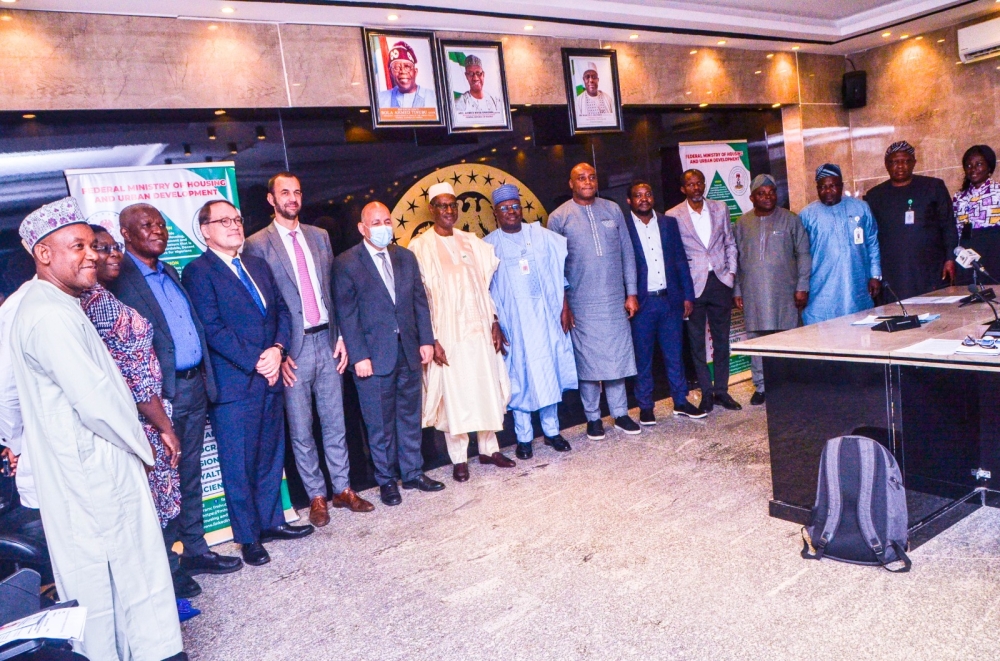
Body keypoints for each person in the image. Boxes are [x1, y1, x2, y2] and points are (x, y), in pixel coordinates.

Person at [10, 197, 184, 660]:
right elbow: (98, 403)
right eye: (78, 246)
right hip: (96, 467)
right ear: (43, 254)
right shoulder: (48, 313)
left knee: (116, 574)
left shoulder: (48, 302)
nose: (92, 254)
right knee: (121, 574)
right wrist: (145, 450)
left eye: (93, 244)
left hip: (88, 464)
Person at [111, 203, 241, 599]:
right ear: (126, 234)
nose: (157, 231)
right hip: (158, 396)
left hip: (194, 387)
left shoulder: (169, 272)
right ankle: (169, 565)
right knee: (162, 481)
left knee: (190, 473)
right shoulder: (120, 280)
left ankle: (196, 550)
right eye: (146, 225)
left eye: (161, 224)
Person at [183, 199, 313, 568]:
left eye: (237, 219)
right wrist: (258, 360)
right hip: (235, 385)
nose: (234, 225)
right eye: (223, 221)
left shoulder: (256, 265)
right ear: (205, 230)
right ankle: (248, 537)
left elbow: (283, 313)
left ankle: (272, 522)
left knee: (271, 457)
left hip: (270, 377)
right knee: (238, 465)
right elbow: (212, 328)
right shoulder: (198, 271)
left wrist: (277, 349)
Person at [244, 173, 373, 525]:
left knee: (335, 422)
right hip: (293, 351)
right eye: (285, 192)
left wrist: (342, 336)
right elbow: (263, 304)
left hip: (327, 341)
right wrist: (278, 349)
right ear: (272, 200)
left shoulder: (320, 237)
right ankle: (317, 495)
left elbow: (333, 292)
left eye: (297, 192)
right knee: (301, 429)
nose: (292, 198)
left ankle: (343, 489)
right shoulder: (257, 244)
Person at [334, 201, 443, 506]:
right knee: (379, 424)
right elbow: (347, 315)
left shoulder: (406, 257)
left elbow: (419, 301)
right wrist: (359, 357)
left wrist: (427, 340)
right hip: (372, 357)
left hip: (408, 351)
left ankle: (412, 472)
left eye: (387, 221)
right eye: (376, 222)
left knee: (410, 417)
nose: (383, 228)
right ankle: (386, 480)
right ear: (362, 228)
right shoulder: (347, 263)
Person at [81, 225, 183, 539]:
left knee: (156, 499)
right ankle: (167, 578)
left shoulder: (103, 295)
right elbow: (134, 378)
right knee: (152, 502)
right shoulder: (97, 304)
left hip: (146, 414)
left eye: (116, 247)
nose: (113, 255)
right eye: (101, 248)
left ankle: (170, 573)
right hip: (143, 420)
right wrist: (165, 427)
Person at [409, 182, 515, 482]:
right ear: (432, 209)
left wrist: (494, 320)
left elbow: (484, 286)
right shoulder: (420, 247)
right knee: (456, 396)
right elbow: (419, 299)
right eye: (442, 206)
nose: (449, 211)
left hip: (479, 329)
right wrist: (431, 338)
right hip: (447, 334)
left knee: (485, 387)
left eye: (453, 205)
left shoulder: (471, 241)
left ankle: (489, 449)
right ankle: (459, 458)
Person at [484, 184, 577, 460]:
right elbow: (483, 291)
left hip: (544, 317)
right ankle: (523, 439)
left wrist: (565, 307)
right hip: (513, 324)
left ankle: (552, 432)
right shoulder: (488, 246)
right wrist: (494, 323)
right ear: (495, 212)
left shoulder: (540, 235)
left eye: (515, 206)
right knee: (519, 378)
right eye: (504, 208)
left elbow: (557, 272)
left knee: (548, 374)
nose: (511, 212)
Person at [548, 163, 641, 439]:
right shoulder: (559, 217)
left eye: (591, 177)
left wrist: (632, 292)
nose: (587, 182)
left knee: (616, 358)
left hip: (614, 299)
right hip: (581, 303)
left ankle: (621, 413)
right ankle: (592, 418)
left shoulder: (612, 210)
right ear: (571, 183)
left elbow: (627, 252)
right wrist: (564, 305)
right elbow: (555, 268)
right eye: (581, 178)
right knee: (587, 364)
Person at [623, 181, 704, 423]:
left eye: (648, 194)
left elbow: (680, 260)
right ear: (629, 201)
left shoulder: (668, 223)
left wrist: (687, 295)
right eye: (638, 196)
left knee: (674, 354)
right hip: (642, 304)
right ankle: (646, 407)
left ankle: (681, 401)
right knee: (643, 357)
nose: (644, 199)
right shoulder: (623, 227)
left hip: (670, 300)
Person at [733, 175, 811, 405]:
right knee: (757, 339)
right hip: (752, 292)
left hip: (785, 292)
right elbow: (735, 258)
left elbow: (804, 255)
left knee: (788, 338)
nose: (767, 197)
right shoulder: (742, 223)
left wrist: (802, 286)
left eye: (771, 192)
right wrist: (737, 290)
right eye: (761, 193)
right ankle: (761, 386)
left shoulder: (790, 220)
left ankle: (790, 383)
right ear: (752, 197)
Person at [668, 169, 741, 413]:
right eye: (690, 184)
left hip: (719, 281)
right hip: (693, 286)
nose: (696, 188)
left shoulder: (720, 208)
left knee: (722, 340)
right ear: (682, 189)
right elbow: (675, 255)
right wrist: (681, 289)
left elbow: (730, 242)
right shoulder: (673, 215)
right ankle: (707, 394)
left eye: (699, 183)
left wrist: (730, 274)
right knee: (697, 343)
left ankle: (722, 391)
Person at [864, 141, 956, 300]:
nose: (900, 166)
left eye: (906, 161)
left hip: (929, 268)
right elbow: (871, 238)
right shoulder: (874, 196)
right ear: (886, 165)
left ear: (914, 163)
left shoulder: (933, 187)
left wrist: (950, 258)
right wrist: (874, 274)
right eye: (894, 162)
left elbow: (948, 225)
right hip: (893, 271)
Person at [801, 164, 882, 325]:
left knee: (858, 325)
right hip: (821, 285)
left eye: (832, 186)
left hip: (856, 279)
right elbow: (800, 253)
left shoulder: (860, 208)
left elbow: (872, 242)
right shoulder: (807, 215)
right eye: (822, 187)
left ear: (841, 186)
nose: (827, 191)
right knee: (824, 329)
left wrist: (875, 275)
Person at [953, 145, 1000, 282]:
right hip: (967, 248)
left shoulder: (998, 191)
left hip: (994, 248)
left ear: (989, 167)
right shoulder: (959, 196)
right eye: (968, 165)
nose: (973, 169)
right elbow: (956, 227)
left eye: (979, 164)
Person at [377, 41, 436, 109]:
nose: (402, 71)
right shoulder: (380, 99)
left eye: (407, 66)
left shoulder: (434, 97)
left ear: (415, 72)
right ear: (390, 73)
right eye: (396, 67)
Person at [453, 54, 503, 121]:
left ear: (483, 74)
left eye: (478, 73)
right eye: (471, 74)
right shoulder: (460, 104)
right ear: (466, 76)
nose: (475, 78)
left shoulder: (495, 101)